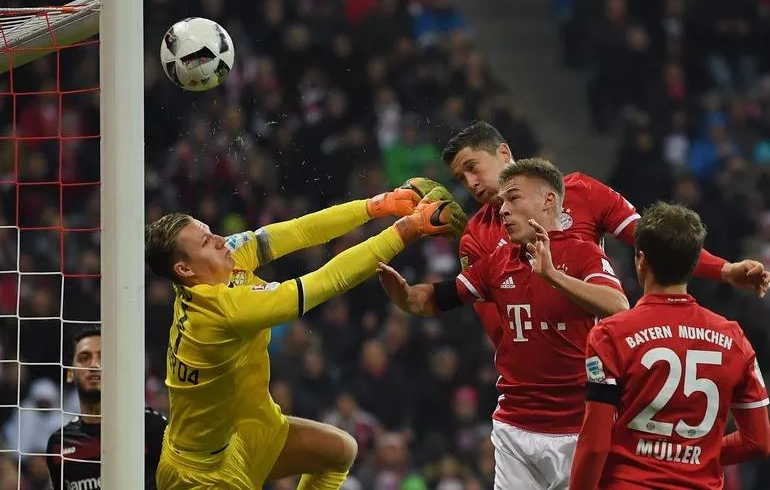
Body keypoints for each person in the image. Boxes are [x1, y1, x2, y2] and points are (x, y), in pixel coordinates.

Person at [144, 182, 467, 490]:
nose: (219, 239)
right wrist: (406, 230)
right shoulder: (221, 312)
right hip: (202, 474)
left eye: (209, 231)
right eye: (205, 242)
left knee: (338, 452)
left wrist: (377, 205)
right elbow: (329, 280)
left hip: (247, 429)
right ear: (185, 271)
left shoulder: (222, 262)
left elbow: (300, 230)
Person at [378, 158, 629, 489]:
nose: (504, 210)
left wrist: (552, 276)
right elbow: (438, 297)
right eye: (503, 202)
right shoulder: (498, 262)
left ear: (548, 200)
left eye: (514, 198)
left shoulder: (584, 254)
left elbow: (618, 306)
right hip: (516, 428)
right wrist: (406, 298)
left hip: (579, 426)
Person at [442, 120, 768, 348]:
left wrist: (724, 270)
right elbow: (499, 331)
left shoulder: (581, 192)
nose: (470, 183)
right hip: (542, 394)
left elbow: (657, 240)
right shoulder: (475, 238)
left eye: (473, 167)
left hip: (602, 363)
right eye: (461, 177)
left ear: (503, 153)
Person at [569, 202, 770, 490]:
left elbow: (595, 445)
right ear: (693, 265)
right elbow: (759, 442)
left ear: (641, 261)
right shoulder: (734, 339)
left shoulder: (610, 334)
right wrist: (698, 453)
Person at [45, 326, 168, 489]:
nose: (94, 365)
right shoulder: (59, 445)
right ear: (69, 373)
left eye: (103, 357)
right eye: (84, 358)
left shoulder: (152, 427)